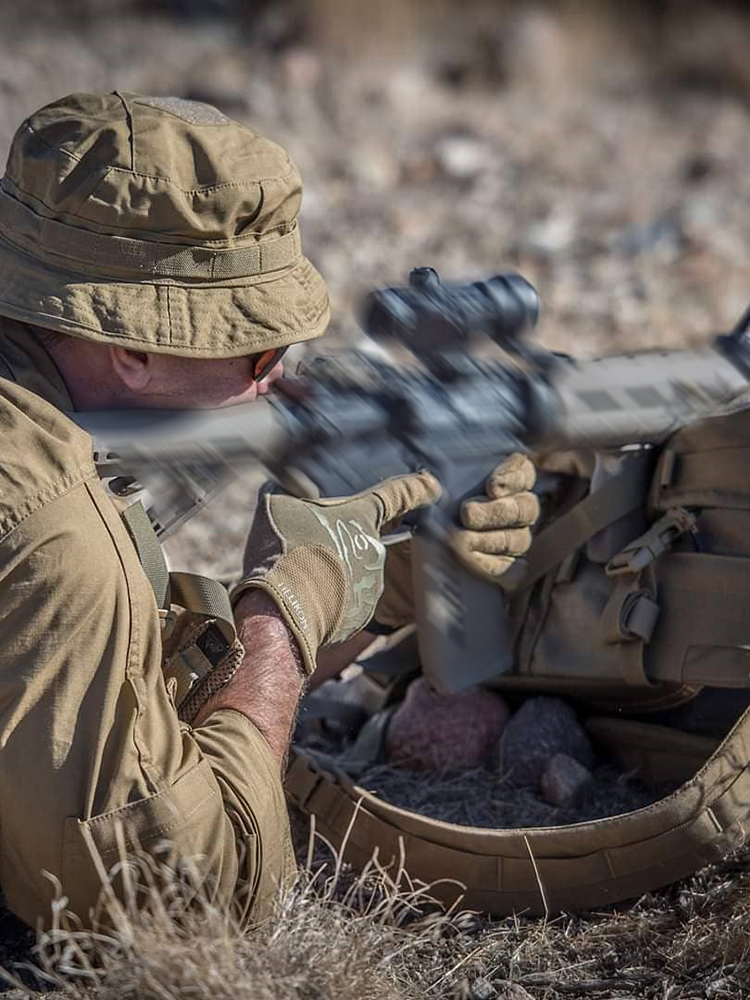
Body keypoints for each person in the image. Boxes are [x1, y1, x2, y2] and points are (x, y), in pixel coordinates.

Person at [0, 91, 537, 930]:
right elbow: (179, 906)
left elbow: (82, 688)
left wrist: (378, 583)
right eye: (261, 347)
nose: (280, 377)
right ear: (133, 348)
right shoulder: (55, 528)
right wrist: (283, 612)